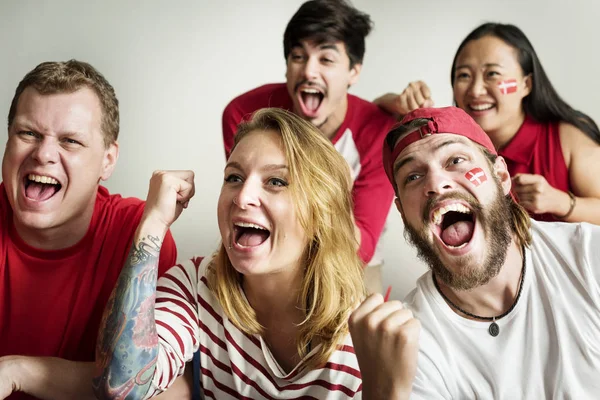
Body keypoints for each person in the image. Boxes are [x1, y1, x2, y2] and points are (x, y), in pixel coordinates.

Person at [93, 108, 420, 399]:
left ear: (321, 213)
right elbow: (122, 387)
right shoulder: (195, 285)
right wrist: (153, 223)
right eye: (233, 177)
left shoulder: (365, 338)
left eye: (276, 181)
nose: (243, 196)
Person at [366, 106, 599, 398]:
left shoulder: (589, 256)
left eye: (456, 160)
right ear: (402, 213)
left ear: (501, 176)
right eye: (413, 177)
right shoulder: (411, 342)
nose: (436, 184)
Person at [0, 60, 179, 400]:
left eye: (70, 141)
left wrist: (18, 371)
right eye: (28, 133)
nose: (43, 154)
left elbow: (155, 389)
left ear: (107, 160)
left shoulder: (138, 233)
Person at [222, 0, 398, 293]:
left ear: (353, 71)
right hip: (271, 259)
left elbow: (361, 247)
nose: (309, 71)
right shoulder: (245, 113)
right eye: (298, 56)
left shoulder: (378, 131)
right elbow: (246, 203)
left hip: (349, 268)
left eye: (326, 59)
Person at [375, 23, 600, 224]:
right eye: (464, 75)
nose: (475, 90)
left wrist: (562, 203)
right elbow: (373, 114)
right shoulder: (452, 138)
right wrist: (400, 102)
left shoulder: (565, 136)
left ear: (526, 84)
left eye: (492, 74)